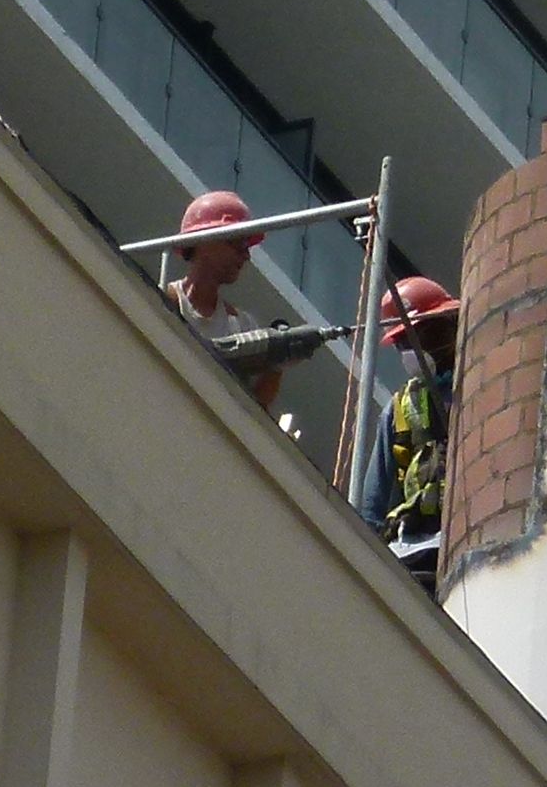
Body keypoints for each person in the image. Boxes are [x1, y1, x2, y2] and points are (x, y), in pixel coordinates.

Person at [168, 189, 329, 415]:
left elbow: (252, 411)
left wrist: (277, 362)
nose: (246, 256)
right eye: (237, 244)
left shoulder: (242, 325)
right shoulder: (165, 302)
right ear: (204, 241)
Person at [366, 270, 460, 566]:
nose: (407, 350)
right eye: (401, 342)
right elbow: (371, 508)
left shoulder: (478, 381)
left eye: (416, 336)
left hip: (461, 535)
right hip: (413, 547)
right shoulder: (400, 407)